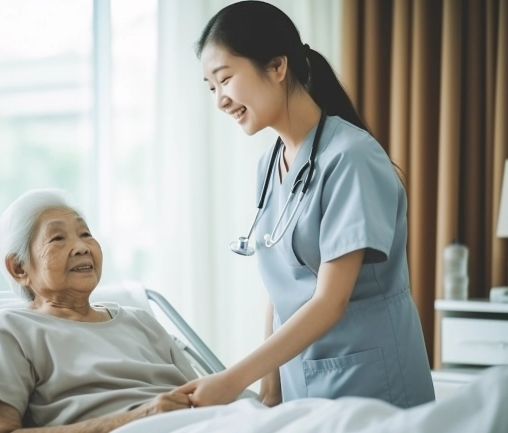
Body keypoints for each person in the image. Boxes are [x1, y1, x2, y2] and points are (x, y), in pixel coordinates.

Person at [177, 1, 435, 409]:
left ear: (278, 67)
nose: (220, 101)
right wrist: (269, 390)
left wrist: (232, 380)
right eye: (211, 88)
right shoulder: (269, 165)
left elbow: (330, 301)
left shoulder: (351, 157)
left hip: (372, 383)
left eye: (225, 79)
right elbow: (280, 289)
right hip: (304, 387)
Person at [0, 189, 197, 432]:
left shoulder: (140, 320)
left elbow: (205, 395)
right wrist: (140, 416)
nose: (81, 247)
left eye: (86, 234)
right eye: (58, 238)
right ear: (19, 268)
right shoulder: (11, 328)